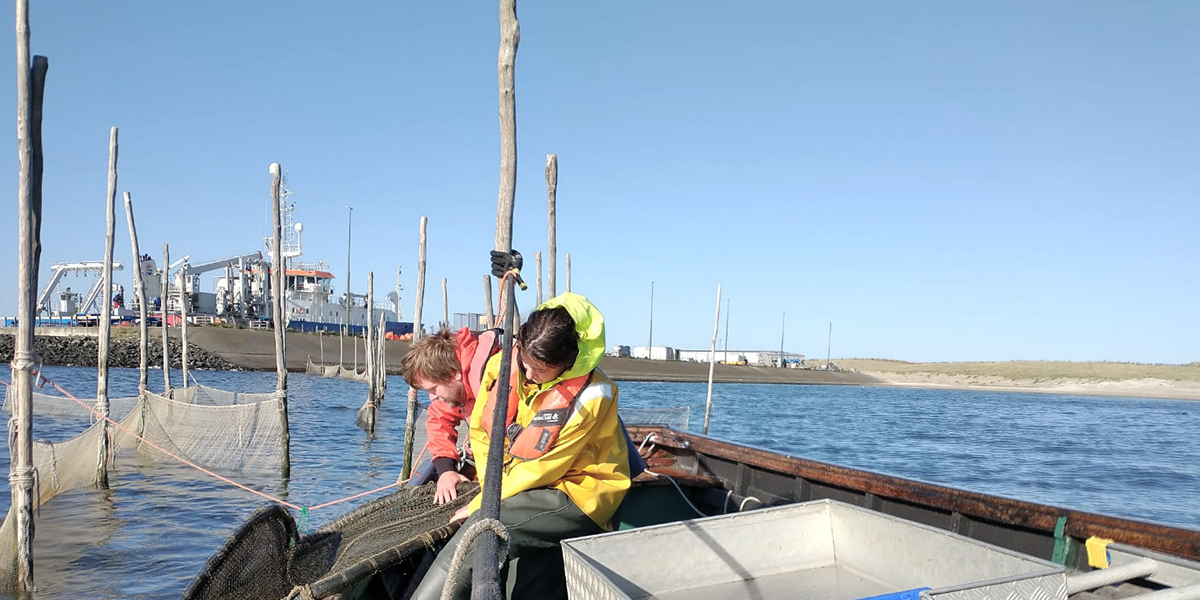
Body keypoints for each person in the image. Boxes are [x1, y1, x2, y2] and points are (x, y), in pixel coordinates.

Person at [411, 292, 633, 600]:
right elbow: (482, 430)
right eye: (525, 364)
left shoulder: (593, 395)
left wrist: (480, 505)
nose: (528, 375)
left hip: (576, 491)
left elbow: (541, 469)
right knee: (521, 576)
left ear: (566, 364)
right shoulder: (503, 365)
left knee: (481, 531)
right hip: (525, 486)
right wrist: (490, 488)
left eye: (540, 371)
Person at [400, 326, 499, 504]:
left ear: (455, 375)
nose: (432, 397)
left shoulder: (494, 377)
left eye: (433, 388)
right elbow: (439, 421)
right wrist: (446, 471)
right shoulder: (454, 381)